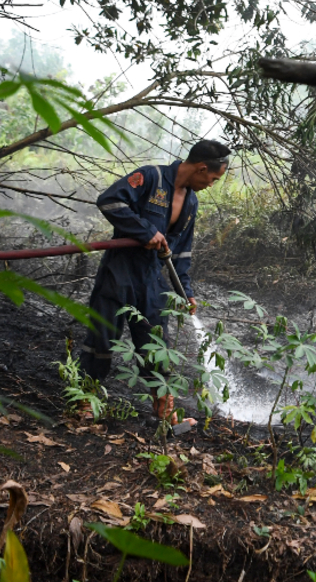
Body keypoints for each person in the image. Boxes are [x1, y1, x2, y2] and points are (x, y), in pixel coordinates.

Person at [79, 140, 230, 423]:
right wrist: (145, 230)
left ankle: (164, 410)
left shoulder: (191, 202)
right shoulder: (150, 177)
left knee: (157, 341)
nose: (212, 184)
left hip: (151, 278)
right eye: (213, 178)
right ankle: (85, 401)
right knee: (102, 337)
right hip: (119, 270)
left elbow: (181, 252)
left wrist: (186, 291)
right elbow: (109, 200)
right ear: (201, 168)